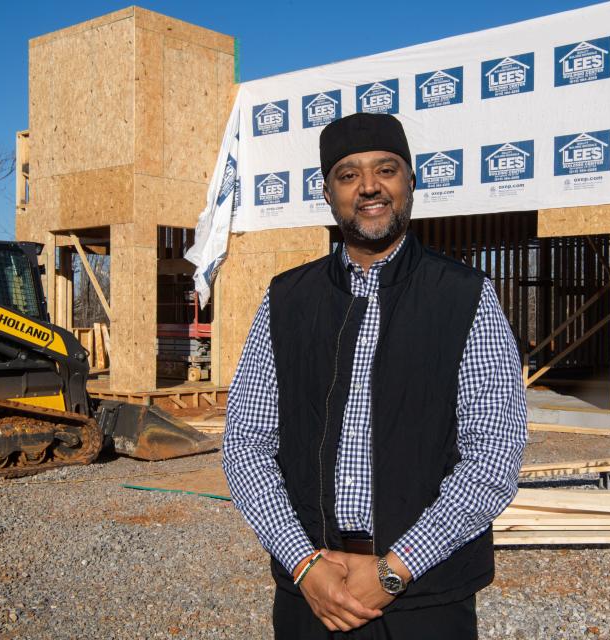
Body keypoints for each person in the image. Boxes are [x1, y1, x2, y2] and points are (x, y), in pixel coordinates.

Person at [223, 112, 527, 639]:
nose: (369, 186)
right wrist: (303, 564)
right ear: (327, 193)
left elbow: (493, 457)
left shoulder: (464, 297)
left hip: (425, 600)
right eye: (348, 175)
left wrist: (393, 570)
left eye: (386, 169)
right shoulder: (286, 300)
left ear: (410, 181)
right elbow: (246, 443)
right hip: (312, 596)